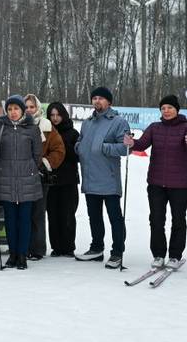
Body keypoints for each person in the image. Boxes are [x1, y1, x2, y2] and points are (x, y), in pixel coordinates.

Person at [124, 94, 187, 270]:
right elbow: (141, 145)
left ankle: (175, 256)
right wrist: (131, 142)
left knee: (178, 220)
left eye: (170, 108)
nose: (166, 111)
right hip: (156, 183)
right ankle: (158, 254)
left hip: (179, 184)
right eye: (163, 108)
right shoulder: (154, 127)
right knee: (156, 220)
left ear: (177, 110)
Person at [75, 86, 130, 269]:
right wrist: (79, 148)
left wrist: (104, 147)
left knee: (115, 217)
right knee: (94, 217)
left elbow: (124, 148)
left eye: (101, 98)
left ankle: (117, 252)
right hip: (90, 178)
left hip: (108, 178)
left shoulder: (118, 122)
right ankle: (97, 248)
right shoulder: (87, 123)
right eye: (94, 98)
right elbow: (81, 142)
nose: (97, 101)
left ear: (109, 102)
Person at [0, 95, 42, 270]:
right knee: (10, 220)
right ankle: (13, 254)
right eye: (9, 109)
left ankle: (22, 255)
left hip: (27, 180)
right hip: (6, 179)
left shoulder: (32, 128)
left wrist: (30, 169)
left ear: (22, 110)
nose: (13, 112)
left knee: (24, 219)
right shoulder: (1, 127)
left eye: (16, 109)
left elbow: (37, 154)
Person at [24, 94, 65, 260]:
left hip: (40, 176)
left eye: (32, 107)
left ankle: (37, 249)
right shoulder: (18, 124)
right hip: (20, 177)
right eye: (25, 107)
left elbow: (59, 150)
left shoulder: (47, 126)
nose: (28, 110)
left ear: (38, 108)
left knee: (38, 214)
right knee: (24, 214)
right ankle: (23, 247)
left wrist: (45, 163)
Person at [46, 102, 80, 257]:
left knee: (67, 214)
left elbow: (77, 157)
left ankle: (68, 246)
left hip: (68, 180)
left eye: (57, 115)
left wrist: (62, 144)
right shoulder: (46, 131)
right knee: (52, 215)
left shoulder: (73, 133)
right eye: (52, 115)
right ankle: (56, 247)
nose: (55, 118)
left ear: (63, 115)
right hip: (51, 180)